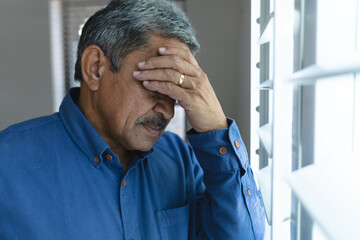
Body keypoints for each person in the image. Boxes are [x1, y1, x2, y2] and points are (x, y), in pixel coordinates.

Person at [0, 0, 265, 239]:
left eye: (174, 93)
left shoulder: (180, 158)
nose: (168, 111)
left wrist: (216, 129)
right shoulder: (7, 164)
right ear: (95, 68)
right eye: (156, 84)